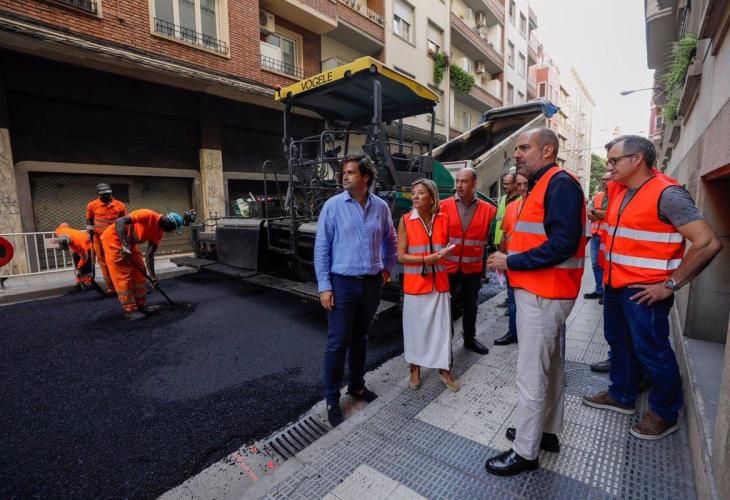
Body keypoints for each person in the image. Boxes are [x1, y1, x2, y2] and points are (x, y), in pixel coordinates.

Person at [582, 135, 722, 440]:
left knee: (653, 352)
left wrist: (670, 285)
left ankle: (664, 412)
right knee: (619, 343)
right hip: (616, 285)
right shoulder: (621, 190)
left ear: (637, 159)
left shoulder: (668, 194)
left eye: (614, 160)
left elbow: (708, 242)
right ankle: (621, 395)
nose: (608, 167)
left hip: (646, 293)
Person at [485, 127, 586, 476]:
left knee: (531, 374)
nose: (516, 154)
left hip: (544, 294)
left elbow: (562, 244)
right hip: (545, 291)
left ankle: (525, 452)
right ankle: (546, 432)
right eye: (516, 148)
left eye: (523, 147)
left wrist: (510, 261)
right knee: (551, 368)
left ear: (547, 151)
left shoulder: (558, 184)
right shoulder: (545, 184)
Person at [314, 153, 397, 428]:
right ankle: (331, 398)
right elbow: (322, 248)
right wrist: (325, 286)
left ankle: (357, 386)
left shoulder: (381, 207)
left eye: (350, 172)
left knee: (361, 338)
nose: (344, 176)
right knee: (338, 342)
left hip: (371, 283)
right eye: (344, 172)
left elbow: (390, 239)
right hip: (342, 284)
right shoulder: (333, 206)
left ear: (366, 177)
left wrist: (386, 268)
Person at [398, 178, 460, 392]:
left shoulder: (444, 218)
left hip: (440, 284)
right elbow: (401, 256)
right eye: (414, 192)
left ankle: (444, 369)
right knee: (415, 330)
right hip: (416, 286)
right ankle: (414, 368)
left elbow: (448, 244)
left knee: (441, 331)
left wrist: (446, 252)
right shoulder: (406, 220)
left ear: (432, 198)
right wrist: (426, 259)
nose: (415, 196)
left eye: (421, 193)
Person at [440, 168, 496, 355]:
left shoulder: (488, 210)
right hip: (448, 268)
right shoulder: (443, 206)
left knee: (471, 306)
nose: (459, 185)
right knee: (446, 307)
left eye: (464, 181)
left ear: (474, 184)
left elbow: (488, 241)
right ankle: (444, 344)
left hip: (473, 268)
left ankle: (469, 339)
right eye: (457, 181)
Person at [101, 209, 185, 320]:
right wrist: (124, 245)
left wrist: (153, 277)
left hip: (130, 243)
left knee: (140, 270)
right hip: (114, 239)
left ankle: (141, 305)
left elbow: (149, 255)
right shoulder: (147, 214)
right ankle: (130, 310)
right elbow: (119, 221)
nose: (172, 231)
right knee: (123, 275)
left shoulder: (159, 232)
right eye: (173, 228)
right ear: (169, 222)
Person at [494, 174, 528, 346]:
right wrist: (501, 259)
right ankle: (513, 332)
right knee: (513, 299)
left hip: (530, 262)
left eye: (525, 184)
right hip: (511, 261)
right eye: (519, 184)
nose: (522, 188)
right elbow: (505, 234)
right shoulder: (511, 206)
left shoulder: (538, 206)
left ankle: (526, 334)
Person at [86, 183, 127, 296]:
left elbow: (124, 221)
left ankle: (120, 285)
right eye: (103, 195)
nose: (106, 196)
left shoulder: (120, 205)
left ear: (111, 193)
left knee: (116, 261)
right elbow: (89, 219)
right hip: (98, 239)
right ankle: (110, 288)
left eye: (108, 194)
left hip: (114, 238)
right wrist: (90, 227)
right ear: (98, 195)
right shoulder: (92, 205)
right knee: (103, 263)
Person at [584, 172, 612, 303]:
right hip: (595, 235)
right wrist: (600, 214)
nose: (604, 182)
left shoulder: (617, 197)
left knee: (606, 265)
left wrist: (596, 212)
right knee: (595, 264)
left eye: (607, 180)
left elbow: (610, 215)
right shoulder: (598, 196)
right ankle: (599, 290)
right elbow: (589, 214)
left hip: (607, 236)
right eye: (603, 180)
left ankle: (606, 294)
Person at [55, 223, 93, 291]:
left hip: (86, 244)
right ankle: (79, 282)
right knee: (76, 262)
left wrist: (79, 266)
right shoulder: (59, 231)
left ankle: (88, 283)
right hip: (75, 243)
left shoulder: (79, 244)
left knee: (85, 265)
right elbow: (65, 224)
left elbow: (85, 258)